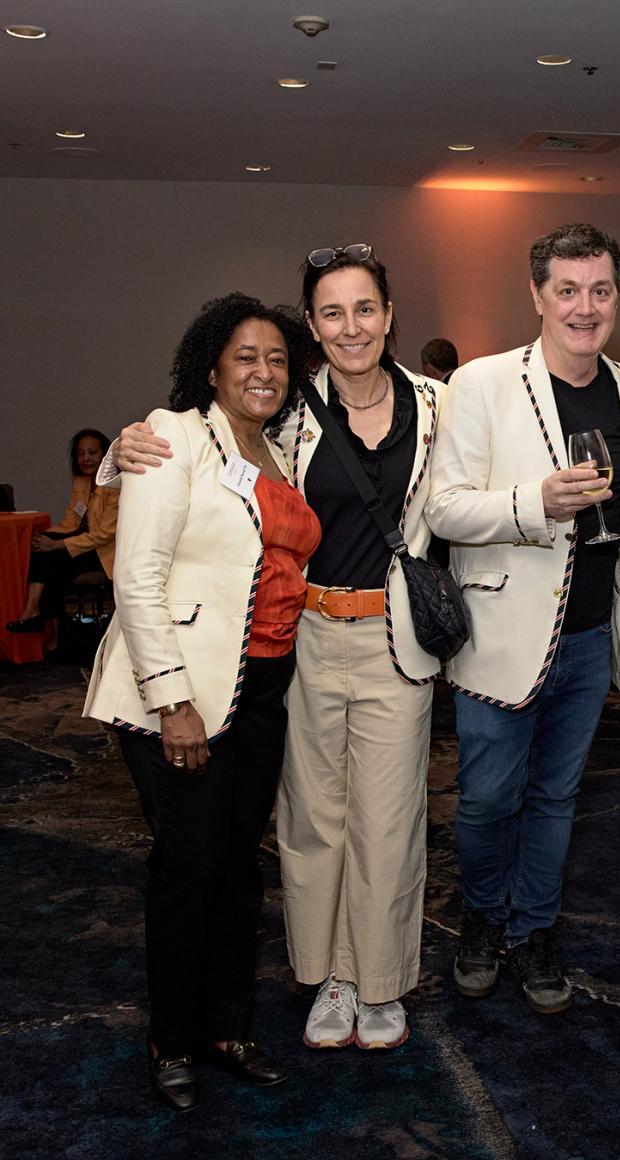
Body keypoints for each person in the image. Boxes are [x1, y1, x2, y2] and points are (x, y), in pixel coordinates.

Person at [108, 243, 443, 1054]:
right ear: (314, 331)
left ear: (390, 318)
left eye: (365, 308)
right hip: (304, 640)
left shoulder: (440, 404)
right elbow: (198, 452)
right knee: (311, 819)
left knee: (389, 821)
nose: (351, 326)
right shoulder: (292, 410)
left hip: (396, 638)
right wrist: (123, 461)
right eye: (331, 313)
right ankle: (328, 975)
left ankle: (381, 981)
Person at [85, 293, 320, 1111]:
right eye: (245, 357)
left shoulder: (281, 449)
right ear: (212, 367)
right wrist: (171, 702)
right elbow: (137, 581)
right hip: (178, 694)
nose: (263, 371)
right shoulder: (173, 436)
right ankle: (171, 1041)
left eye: (277, 359)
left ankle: (228, 1028)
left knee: (237, 872)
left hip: (262, 688)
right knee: (188, 870)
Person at [427, 222, 620, 1014]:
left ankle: (535, 929)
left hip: (593, 636)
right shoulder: (484, 384)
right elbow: (445, 507)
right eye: (567, 289)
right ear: (536, 295)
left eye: (599, 290)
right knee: (491, 798)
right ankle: (483, 920)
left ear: (616, 298)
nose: (584, 307)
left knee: (558, 799)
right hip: (499, 634)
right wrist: (537, 503)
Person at [7, 429, 119, 645]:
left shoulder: (114, 486)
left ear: (105, 455)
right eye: (80, 454)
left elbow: (104, 534)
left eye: (92, 453)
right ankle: (41, 619)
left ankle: (36, 616)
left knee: (52, 557)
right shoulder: (81, 482)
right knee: (43, 552)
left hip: (105, 552)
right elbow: (71, 523)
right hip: (84, 545)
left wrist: (56, 544)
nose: (86, 458)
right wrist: (43, 540)